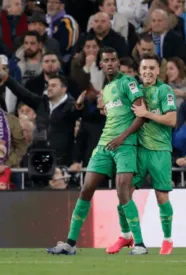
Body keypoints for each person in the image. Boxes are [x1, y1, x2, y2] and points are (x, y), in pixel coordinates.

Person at [47, 47, 147, 255]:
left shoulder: (128, 83)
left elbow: (142, 114)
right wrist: (82, 107)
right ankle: (70, 243)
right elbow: (109, 116)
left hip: (125, 144)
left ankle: (139, 244)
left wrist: (122, 137)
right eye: (106, 61)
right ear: (101, 65)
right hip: (104, 144)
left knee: (123, 192)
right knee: (86, 189)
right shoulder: (106, 89)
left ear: (118, 63)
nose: (110, 63)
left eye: (113, 60)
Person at [107, 54, 177, 255]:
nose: (147, 71)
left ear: (158, 71)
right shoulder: (134, 91)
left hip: (160, 151)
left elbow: (172, 119)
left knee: (161, 196)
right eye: (144, 68)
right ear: (140, 71)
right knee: (123, 194)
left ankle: (167, 240)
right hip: (137, 150)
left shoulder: (165, 91)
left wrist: (147, 114)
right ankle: (126, 236)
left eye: (151, 68)